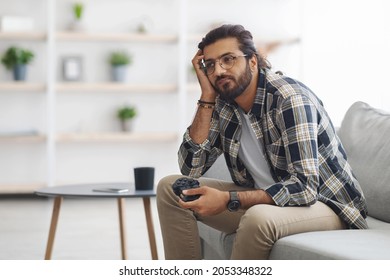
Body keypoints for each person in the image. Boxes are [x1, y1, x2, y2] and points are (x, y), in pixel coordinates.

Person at [157, 24, 368, 260]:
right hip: (268, 199)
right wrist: (207, 96)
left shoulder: (290, 99)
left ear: (253, 61)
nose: (218, 71)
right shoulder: (224, 103)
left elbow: (305, 189)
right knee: (171, 188)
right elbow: (191, 168)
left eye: (228, 59)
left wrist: (229, 199)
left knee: (258, 217)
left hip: (328, 206)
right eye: (210, 64)